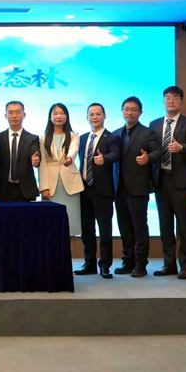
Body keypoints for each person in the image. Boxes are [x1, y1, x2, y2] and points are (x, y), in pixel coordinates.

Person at [150, 86, 186, 279]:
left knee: (184, 226)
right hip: (161, 180)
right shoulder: (154, 124)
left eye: (175, 97)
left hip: (182, 181)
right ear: (163, 101)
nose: (171, 101)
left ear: (181, 101)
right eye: (167, 98)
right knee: (165, 225)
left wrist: (181, 147)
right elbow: (152, 150)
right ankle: (169, 264)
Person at [114, 96, 161, 278]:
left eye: (134, 109)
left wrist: (148, 158)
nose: (130, 112)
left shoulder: (148, 133)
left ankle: (141, 264)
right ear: (122, 111)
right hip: (119, 188)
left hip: (139, 187)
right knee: (124, 227)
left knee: (140, 227)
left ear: (140, 112)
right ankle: (128, 262)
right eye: (126, 109)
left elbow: (158, 152)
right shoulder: (116, 134)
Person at [76, 103, 120, 279]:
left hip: (103, 191)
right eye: (92, 114)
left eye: (98, 114)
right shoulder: (82, 138)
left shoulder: (112, 138)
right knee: (87, 230)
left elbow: (116, 154)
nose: (95, 117)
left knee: (105, 230)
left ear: (104, 116)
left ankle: (105, 265)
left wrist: (105, 159)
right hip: (84, 189)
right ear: (87, 117)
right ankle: (89, 263)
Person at [39, 103, 84, 239]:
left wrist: (69, 158)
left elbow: (73, 149)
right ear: (50, 117)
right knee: (50, 226)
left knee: (71, 226)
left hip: (70, 186)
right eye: (55, 113)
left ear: (67, 116)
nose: (59, 116)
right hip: (51, 187)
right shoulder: (43, 138)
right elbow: (42, 164)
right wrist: (43, 187)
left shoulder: (74, 135)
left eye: (62, 113)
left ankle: (69, 254)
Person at [0, 101, 41, 202]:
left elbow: (35, 153)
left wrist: (36, 161)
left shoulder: (32, 138)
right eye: (10, 112)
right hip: (3, 189)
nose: (14, 116)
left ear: (24, 115)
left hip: (26, 190)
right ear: (5, 116)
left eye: (18, 112)